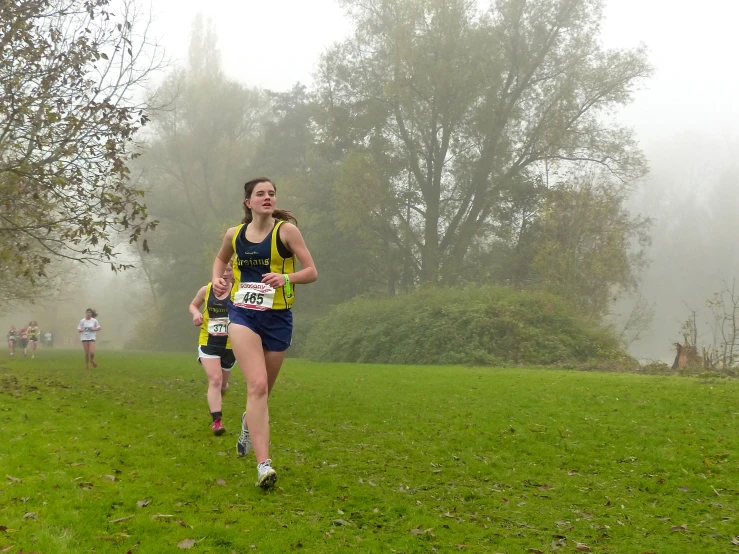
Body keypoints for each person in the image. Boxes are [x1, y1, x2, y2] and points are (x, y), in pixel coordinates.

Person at [212, 177, 317, 489]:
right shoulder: (235, 234)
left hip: (278, 319)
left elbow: (311, 271)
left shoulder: (286, 231)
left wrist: (287, 278)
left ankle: (248, 421)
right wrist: (218, 281)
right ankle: (263, 466)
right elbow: (220, 259)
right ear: (249, 202)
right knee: (256, 386)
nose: (267, 197)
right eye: (261, 194)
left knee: (263, 394)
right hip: (243, 314)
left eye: (272, 193)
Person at [189, 262, 236, 436]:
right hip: (208, 341)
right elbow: (193, 305)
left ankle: (217, 397)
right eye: (222, 270)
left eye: (229, 270)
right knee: (215, 380)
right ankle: (217, 422)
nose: (225, 274)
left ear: (233, 273)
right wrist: (196, 313)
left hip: (231, 344)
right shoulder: (206, 290)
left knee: (222, 385)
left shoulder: (238, 291)